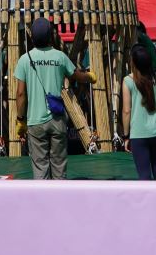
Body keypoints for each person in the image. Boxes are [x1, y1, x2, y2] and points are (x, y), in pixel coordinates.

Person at [14, 16, 97, 180]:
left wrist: (20, 120)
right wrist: (90, 76)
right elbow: (77, 75)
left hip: (35, 122)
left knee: (40, 167)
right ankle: (59, 200)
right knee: (59, 167)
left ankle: (43, 202)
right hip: (57, 119)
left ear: (32, 37)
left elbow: (21, 94)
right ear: (51, 35)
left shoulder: (24, 60)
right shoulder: (59, 57)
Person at [122, 43, 156, 180]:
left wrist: (126, 135)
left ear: (133, 62)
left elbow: (126, 110)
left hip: (139, 133)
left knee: (144, 176)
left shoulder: (128, 81)